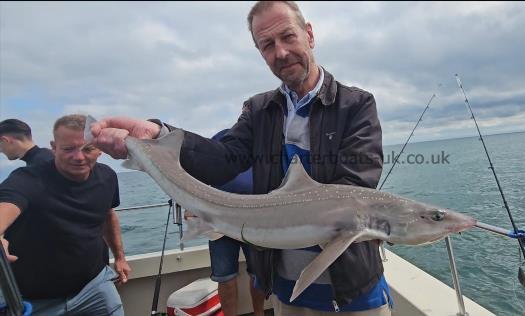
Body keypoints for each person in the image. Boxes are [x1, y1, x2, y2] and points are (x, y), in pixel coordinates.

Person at [90, 1, 391, 315]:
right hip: (287, 289)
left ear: (309, 34)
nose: (281, 52)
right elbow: (223, 160)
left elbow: (356, 185)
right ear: (260, 53)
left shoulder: (356, 105)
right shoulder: (259, 110)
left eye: (288, 37)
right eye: (267, 45)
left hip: (351, 288)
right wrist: (159, 135)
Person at [0, 114, 131, 315]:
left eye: (88, 149)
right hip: (38, 301)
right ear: (54, 147)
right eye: (68, 149)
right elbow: (7, 204)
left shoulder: (107, 177)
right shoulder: (28, 180)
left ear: (100, 149)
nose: (78, 157)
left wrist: (120, 257)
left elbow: (107, 215)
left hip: (94, 286)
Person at [184, 128, 265, 316]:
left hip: (257, 218)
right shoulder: (221, 138)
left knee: (259, 275)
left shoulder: (265, 142)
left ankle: (259, 313)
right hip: (217, 217)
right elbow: (199, 168)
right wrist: (190, 205)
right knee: (225, 277)